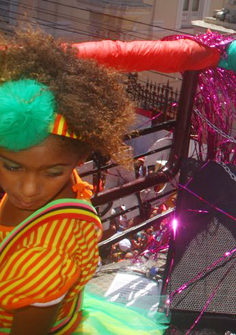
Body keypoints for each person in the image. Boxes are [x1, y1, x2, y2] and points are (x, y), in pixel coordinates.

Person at [0, 29, 164, 334]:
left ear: (80, 160)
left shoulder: (42, 258)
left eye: (51, 173)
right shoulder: (60, 168)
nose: (28, 189)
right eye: (12, 167)